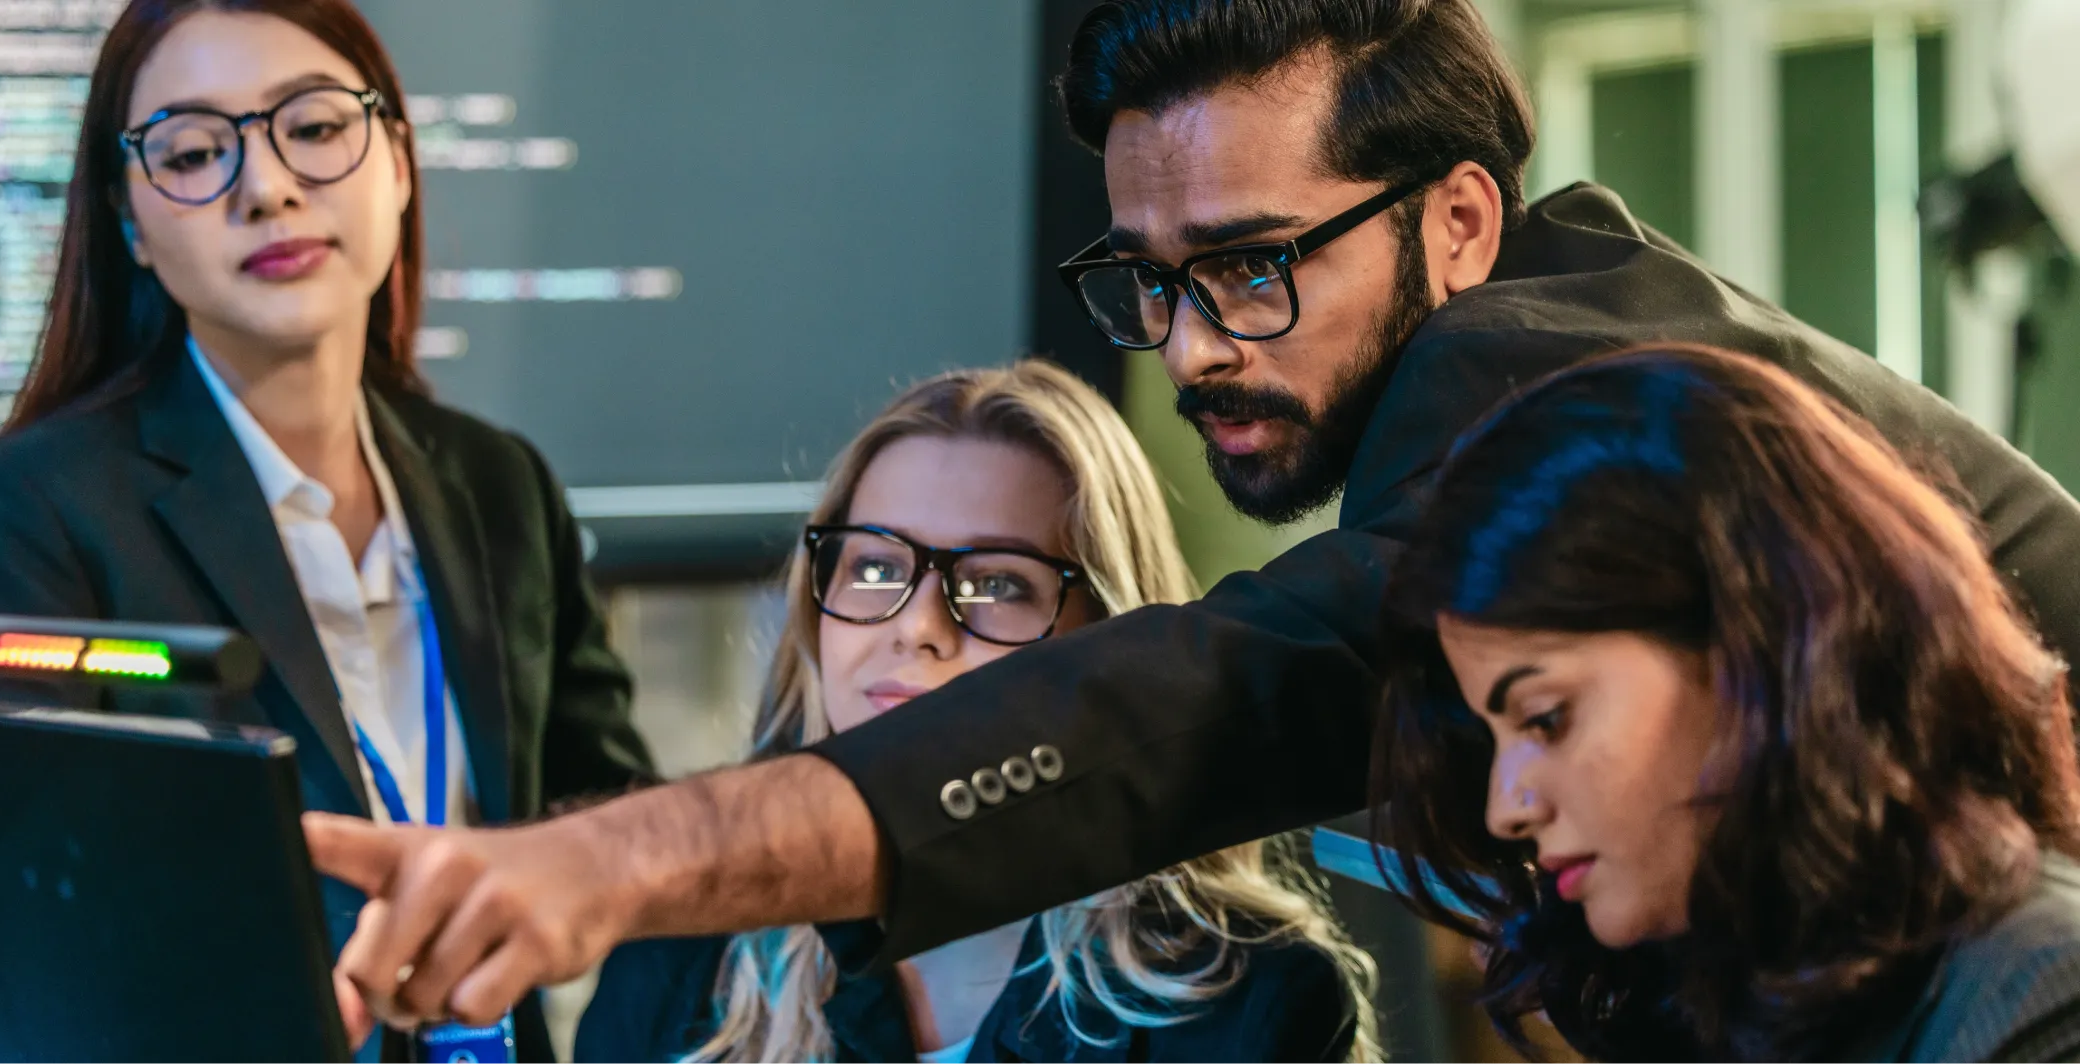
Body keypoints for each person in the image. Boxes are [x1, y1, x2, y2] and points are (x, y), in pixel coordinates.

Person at [302, 0, 2080, 1035]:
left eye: (1251, 268)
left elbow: (1205, 695)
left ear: (1458, 220)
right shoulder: (1565, 333)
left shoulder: (1525, 387)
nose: (1194, 345)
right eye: (1149, 280)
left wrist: (610, 858)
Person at [0, 1, 655, 1059]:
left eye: (313, 128)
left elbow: (618, 823)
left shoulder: (499, 482)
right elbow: (52, 927)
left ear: (399, 163)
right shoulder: (27, 511)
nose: (266, 187)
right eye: (192, 152)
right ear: (132, 223)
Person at [575, 361, 1375, 1064]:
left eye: (998, 584)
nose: (917, 627)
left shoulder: (1252, 1006)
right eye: (878, 566)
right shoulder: (674, 966)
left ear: (1113, 645)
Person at [1368, 345, 2080, 1063]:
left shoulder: (2043, 996)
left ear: (1761, 650)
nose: (1506, 808)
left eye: (1547, 719)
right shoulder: (1755, 999)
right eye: (1492, 740)